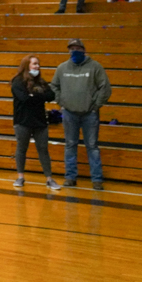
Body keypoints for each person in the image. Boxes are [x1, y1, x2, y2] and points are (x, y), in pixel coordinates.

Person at [51, 38, 111, 189]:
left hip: (90, 114)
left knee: (92, 146)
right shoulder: (62, 68)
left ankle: (97, 179)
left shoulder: (95, 66)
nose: (74, 51)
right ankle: (70, 177)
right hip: (69, 113)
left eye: (77, 48)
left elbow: (105, 88)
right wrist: (62, 102)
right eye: (72, 48)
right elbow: (54, 86)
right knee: (70, 145)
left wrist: (96, 105)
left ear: (84, 50)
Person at [10, 56, 61, 190]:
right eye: (34, 64)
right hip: (22, 121)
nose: (37, 66)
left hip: (40, 121)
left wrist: (34, 96)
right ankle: (20, 177)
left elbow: (51, 96)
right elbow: (24, 98)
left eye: (38, 64)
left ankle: (49, 179)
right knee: (22, 148)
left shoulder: (41, 82)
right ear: (27, 65)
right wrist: (39, 97)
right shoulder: (18, 81)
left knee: (43, 149)